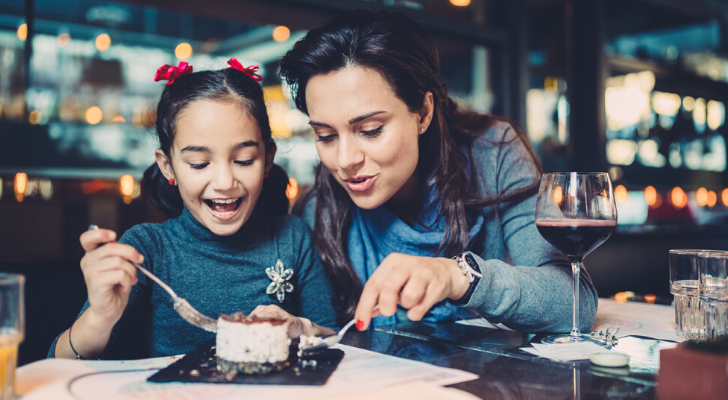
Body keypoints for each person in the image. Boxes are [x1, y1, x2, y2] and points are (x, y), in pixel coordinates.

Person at [278, 10, 598, 332]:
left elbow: (574, 303)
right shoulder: (318, 209)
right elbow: (330, 332)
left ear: (423, 113)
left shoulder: (494, 153)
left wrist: (457, 276)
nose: (345, 160)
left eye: (371, 130)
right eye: (325, 136)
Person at [49, 60, 336, 360]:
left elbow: (338, 343)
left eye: (245, 160)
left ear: (267, 159)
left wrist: (300, 326)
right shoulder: (148, 250)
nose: (225, 182)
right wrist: (99, 318)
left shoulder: (293, 238)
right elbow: (56, 365)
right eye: (199, 164)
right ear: (168, 166)